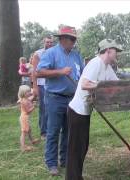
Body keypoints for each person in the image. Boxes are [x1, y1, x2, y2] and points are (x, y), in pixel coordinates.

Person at [66, 39, 123, 180]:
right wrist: (102, 85)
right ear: (108, 50)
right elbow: (85, 84)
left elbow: (116, 83)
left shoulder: (107, 66)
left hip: (85, 111)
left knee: (82, 147)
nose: (117, 54)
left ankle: (76, 176)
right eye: (116, 51)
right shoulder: (96, 63)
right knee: (76, 149)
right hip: (77, 112)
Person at [37, 26, 84, 176]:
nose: (74, 41)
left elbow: (81, 75)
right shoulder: (51, 53)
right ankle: (51, 163)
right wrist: (60, 71)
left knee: (68, 131)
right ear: (63, 39)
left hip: (72, 99)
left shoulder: (76, 56)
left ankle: (65, 160)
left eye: (75, 39)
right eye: (72, 39)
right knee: (53, 131)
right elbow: (39, 72)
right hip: (55, 99)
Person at [32, 36, 54, 140]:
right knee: (43, 108)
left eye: (51, 42)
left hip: (53, 84)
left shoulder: (55, 52)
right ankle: (43, 132)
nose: (49, 44)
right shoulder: (38, 54)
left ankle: (52, 129)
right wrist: (35, 86)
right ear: (43, 42)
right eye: (47, 42)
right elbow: (34, 71)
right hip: (42, 85)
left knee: (53, 107)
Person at [17, 85, 40, 152]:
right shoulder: (24, 101)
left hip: (25, 117)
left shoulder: (26, 99)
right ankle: (23, 146)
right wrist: (34, 106)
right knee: (24, 132)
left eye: (29, 91)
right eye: (28, 92)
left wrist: (34, 94)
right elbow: (28, 111)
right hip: (24, 118)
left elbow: (31, 98)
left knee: (29, 130)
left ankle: (32, 140)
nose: (30, 93)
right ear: (23, 93)